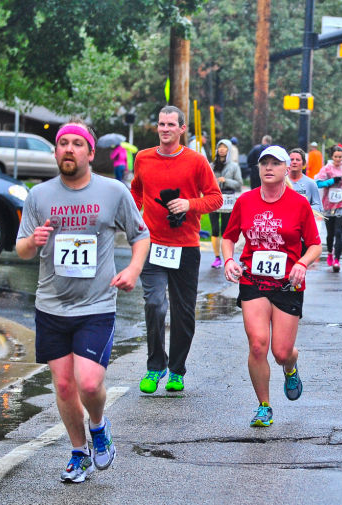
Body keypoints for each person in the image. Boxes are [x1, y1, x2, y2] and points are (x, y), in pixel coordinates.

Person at [15, 118, 150, 482]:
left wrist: (134, 270)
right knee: (62, 386)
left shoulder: (112, 192)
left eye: (77, 144)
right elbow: (22, 248)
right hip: (51, 306)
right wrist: (34, 241)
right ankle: (79, 454)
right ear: (56, 151)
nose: (69, 149)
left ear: (91, 153)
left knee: (89, 383)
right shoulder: (39, 196)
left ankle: (99, 426)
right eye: (63, 143)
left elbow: (141, 235)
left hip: (96, 307)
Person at [221, 146, 321, 427]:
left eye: (275, 163)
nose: (268, 167)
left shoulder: (299, 204)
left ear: (286, 169)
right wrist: (229, 260)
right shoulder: (246, 201)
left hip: (288, 283)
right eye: (264, 162)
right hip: (253, 280)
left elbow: (314, 244)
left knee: (280, 352)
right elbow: (229, 237)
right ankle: (264, 406)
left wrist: (302, 263)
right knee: (257, 345)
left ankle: (291, 364)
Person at [131, 105, 223, 394]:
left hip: (185, 247)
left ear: (183, 129)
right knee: (154, 304)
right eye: (161, 124)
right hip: (152, 244)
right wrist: (133, 220)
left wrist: (189, 204)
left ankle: (176, 371)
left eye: (171, 124)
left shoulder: (196, 161)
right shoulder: (143, 158)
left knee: (183, 313)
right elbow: (135, 190)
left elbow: (216, 198)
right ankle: (155, 365)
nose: (165, 129)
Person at [314, 145, 342, 272]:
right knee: (330, 234)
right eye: (335, 157)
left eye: (340, 157)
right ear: (332, 157)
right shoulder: (326, 169)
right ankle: (329, 253)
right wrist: (331, 181)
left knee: (338, 232)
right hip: (328, 204)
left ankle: (337, 260)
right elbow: (317, 183)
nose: (338, 159)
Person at [209, 138, 243, 268]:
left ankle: (226, 256)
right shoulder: (212, 165)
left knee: (225, 229)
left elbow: (239, 184)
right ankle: (216, 257)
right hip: (213, 198)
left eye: (225, 147)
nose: (222, 149)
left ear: (229, 150)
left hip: (228, 201)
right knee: (214, 229)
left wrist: (226, 180)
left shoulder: (234, 166)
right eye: (220, 147)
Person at [288, 148, 322, 213]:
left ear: (303, 164)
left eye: (298, 160)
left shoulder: (311, 183)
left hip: (304, 221)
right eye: (291, 160)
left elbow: (318, 206)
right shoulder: (281, 182)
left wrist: (305, 209)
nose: (294, 162)